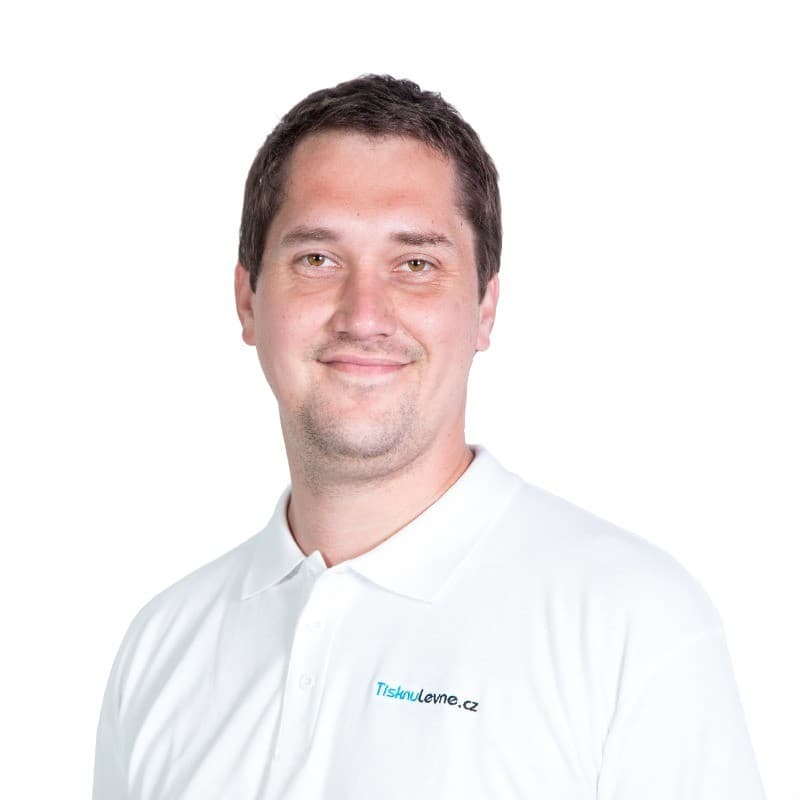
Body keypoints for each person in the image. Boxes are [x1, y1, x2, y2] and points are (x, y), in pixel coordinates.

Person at [92, 74, 765, 799]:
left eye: (416, 264)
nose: (364, 315)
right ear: (248, 300)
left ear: (484, 309)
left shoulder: (631, 623)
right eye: (317, 259)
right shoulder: (163, 646)